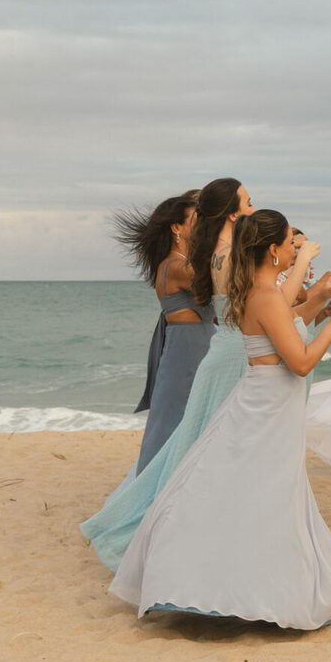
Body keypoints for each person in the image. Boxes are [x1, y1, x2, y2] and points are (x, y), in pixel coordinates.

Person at [111, 209, 331, 630]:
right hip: (266, 407)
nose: (294, 251)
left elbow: (285, 325)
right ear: (272, 250)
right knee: (260, 491)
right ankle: (252, 591)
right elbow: (300, 362)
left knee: (259, 491)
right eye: (290, 244)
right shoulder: (265, 295)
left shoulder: (260, 292)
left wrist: (318, 298)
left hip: (269, 405)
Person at [83, 181, 331, 571]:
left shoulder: (216, 254)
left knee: (201, 447)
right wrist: (297, 262)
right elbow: (268, 306)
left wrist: (293, 268)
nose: (254, 206)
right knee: (206, 452)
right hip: (236, 359)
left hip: (227, 351)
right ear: (233, 213)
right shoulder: (224, 255)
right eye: (248, 202)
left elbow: (265, 305)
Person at [115, 189, 215, 475]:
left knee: (189, 421)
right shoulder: (176, 266)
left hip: (196, 345)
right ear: (176, 227)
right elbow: (217, 284)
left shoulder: (184, 262)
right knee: (172, 423)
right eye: (197, 219)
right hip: (186, 350)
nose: (204, 225)